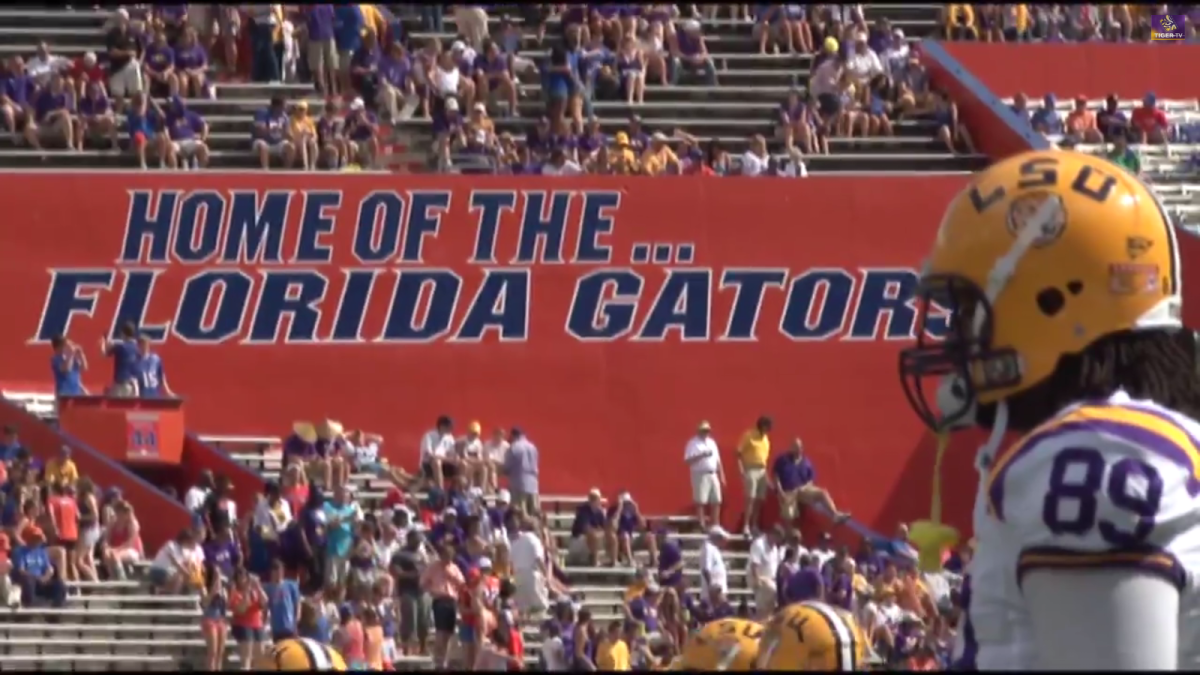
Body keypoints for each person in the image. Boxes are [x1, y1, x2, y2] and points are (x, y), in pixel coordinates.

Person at [897, 149, 1200, 669]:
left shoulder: (1096, 453)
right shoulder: (1137, 442)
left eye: (969, 309)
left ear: (1053, 300)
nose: (954, 337)